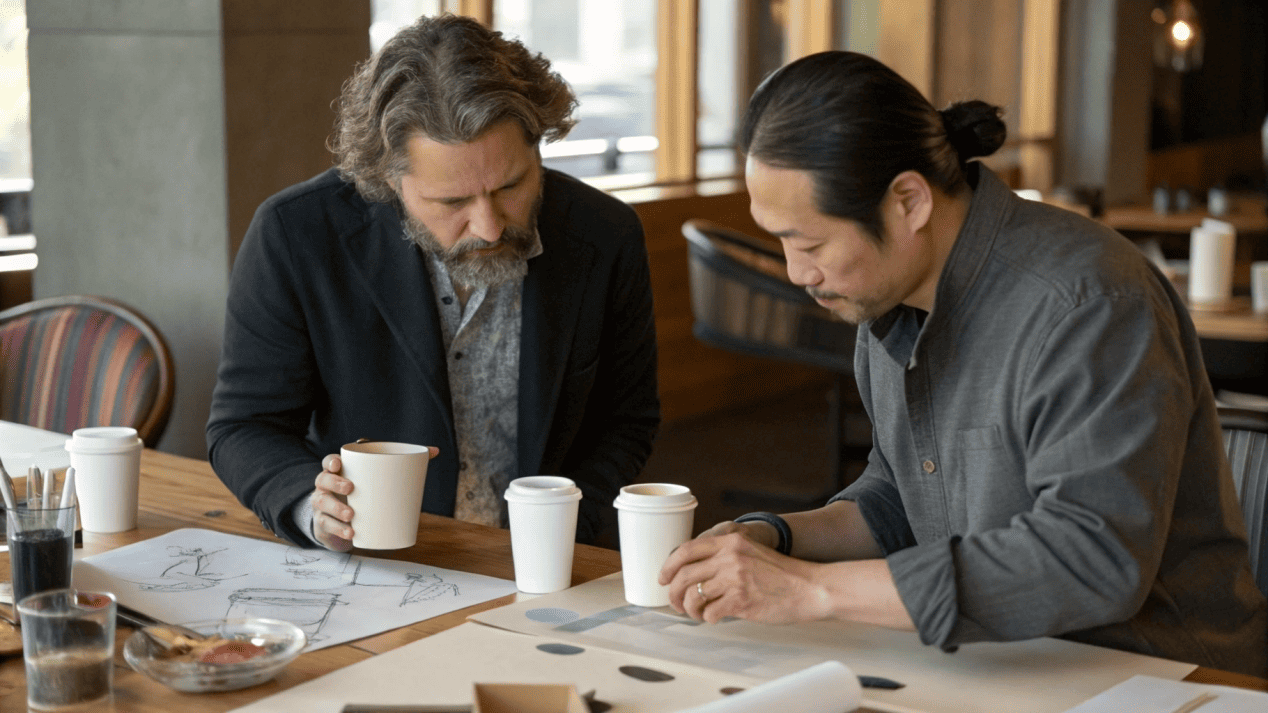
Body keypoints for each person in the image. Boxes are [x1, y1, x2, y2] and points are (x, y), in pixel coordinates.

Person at [659, 51, 1267, 677]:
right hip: (999, 665)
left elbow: (1091, 560)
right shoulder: (887, 297)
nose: (796, 272)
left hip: (1162, 675)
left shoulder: (1088, 303)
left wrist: (813, 590)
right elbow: (901, 495)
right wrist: (772, 540)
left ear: (908, 202)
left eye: (810, 243)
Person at [206, 14, 659, 552]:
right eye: (452, 202)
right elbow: (244, 426)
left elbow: (626, 419)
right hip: (377, 564)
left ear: (539, 145)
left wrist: (565, 529)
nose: (489, 225)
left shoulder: (605, 233)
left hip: (550, 563)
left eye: (511, 185)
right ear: (387, 180)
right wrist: (313, 505)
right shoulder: (297, 235)